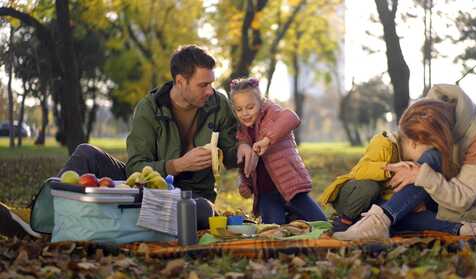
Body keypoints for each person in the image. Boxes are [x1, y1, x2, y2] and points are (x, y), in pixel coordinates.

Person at [0, 45, 257, 238]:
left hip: (191, 196)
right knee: (86, 152)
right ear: (181, 82)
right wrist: (178, 165)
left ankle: (105, 219)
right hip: (142, 187)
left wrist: (243, 149)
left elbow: (232, 156)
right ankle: (41, 216)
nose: (210, 90)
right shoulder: (149, 108)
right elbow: (135, 167)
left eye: (211, 83)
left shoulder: (218, 104)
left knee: (200, 211)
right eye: (203, 84)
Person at [333, 97, 476, 240]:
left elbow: (463, 197)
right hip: (448, 193)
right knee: (402, 211)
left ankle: (378, 219)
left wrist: (421, 176)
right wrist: (416, 191)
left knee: (431, 158)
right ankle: (379, 220)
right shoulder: (434, 109)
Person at [231, 78, 327, 224]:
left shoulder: (271, 112)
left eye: (250, 107)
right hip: (266, 192)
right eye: (239, 109)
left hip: (291, 185)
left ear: (261, 102)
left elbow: (291, 118)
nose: (245, 113)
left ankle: (296, 218)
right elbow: (245, 163)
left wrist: (267, 140)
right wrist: (245, 184)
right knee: (273, 230)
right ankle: (289, 220)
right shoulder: (243, 133)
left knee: (320, 223)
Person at [318, 131, 401, 232]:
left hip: (376, 201)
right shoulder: (384, 143)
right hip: (354, 195)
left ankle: (361, 224)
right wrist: (390, 169)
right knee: (370, 187)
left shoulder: (418, 157)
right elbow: (360, 170)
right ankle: (344, 222)